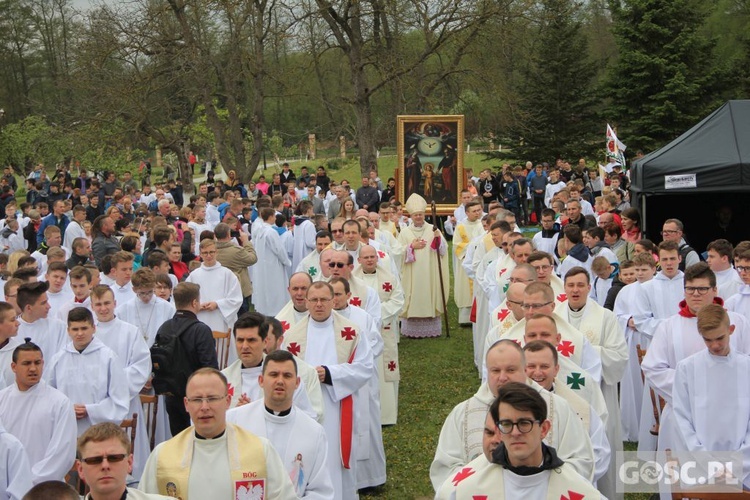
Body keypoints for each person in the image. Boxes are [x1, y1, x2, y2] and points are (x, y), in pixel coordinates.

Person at [430, 340, 595, 491]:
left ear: (524, 370)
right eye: (495, 370)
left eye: (510, 370)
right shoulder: (462, 413)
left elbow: (579, 460)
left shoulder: (558, 408)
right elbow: (446, 467)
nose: (502, 378)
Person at [140, 368, 297, 498]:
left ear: (227, 401)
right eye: (197, 399)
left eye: (212, 398)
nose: (205, 407)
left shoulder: (260, 450)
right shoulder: (163, 456)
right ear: (186, 405)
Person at [642, 263, 750, 453]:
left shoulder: (737, 322)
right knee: (684, 476)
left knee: (730, 474)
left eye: (702, 288)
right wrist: (692, 390)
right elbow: (653, 369)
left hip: (731, 414)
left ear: (715, 290)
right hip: (684, 414)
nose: (696, 294)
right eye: (690, 289)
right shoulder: (668, 326)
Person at [282, 282, 373, 499]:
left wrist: (330, 374)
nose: (319, 305)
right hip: (304, 406)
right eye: (313, 300)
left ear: (334, 301)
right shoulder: (291, 336)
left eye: (324, 300)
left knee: (335, 459)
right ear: (306, 302)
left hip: (338, 406)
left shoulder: (351, 332)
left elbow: (365, 366)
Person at [438, 381, 602, 499]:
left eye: (524, 423)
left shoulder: (580, 491)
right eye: (507, 424)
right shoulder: (466, 491)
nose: (515, 432)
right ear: (499, 431)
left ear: (544, 429)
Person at [226, 350, 335, 499]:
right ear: (261, 380)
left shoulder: (314, 432)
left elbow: (321, 491)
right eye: (273, 374)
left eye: (287, 375)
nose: (280, 381)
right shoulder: (235, 421)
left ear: (297, 383)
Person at [672, 304, 750, 489]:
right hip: (699, 462)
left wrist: (738, 464)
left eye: (720, 338)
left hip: (744, 464)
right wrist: (707, 463)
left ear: (731, 330)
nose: (715, 345)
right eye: (708, 340)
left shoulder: (746, 367)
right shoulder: (687, 368)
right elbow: (681, 418)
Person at [328, 277, 386, 490]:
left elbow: (376, 342)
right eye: (330, 295)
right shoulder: (324, 319)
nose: (334, 299)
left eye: (338, 294)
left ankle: (371, 478)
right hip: (335, 383)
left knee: (367, 426)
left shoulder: (361, 318)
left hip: (362, 383)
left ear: (348, 295)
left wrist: (356, 362)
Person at [90, 284, 152, 478]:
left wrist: (112, 383)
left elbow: (141, 366)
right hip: (97, 404)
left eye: (107, 303)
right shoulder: (89, 334)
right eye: (98, 304)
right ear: (92, 306)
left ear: (115, 303)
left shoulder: (130, 332)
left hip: (126, 403)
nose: (103, 308)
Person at [0, 339, 77, 485]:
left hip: (44, 488)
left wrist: (27, 482)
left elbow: (62, 453)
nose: (33, 369)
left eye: (37, 363)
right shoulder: (2, 399)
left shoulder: (59, 402)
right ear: (13, 367)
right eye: (26, 363)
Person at [45, 307, 129, 436]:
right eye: (75, 329)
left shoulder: (108, 358)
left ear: (94, 328)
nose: (79, 333)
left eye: (84, 328)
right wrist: (67, 409)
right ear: (68, 331)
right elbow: (49, 395)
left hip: (99, 432)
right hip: (66, 430)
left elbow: (119, 399)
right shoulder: (58, 359)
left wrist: (90, 410)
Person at [221, 311, 320, 420]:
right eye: (240, 340)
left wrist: (254, 412)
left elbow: (309, 417)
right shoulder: (223, 378)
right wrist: (237, 414)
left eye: (251, 340)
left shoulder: (285, 375)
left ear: (265, 342)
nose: (244, 346)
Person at [153, 282, 218, 435]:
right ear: (195, 302)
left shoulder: (164, 327)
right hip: (197, 399)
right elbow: (210, 368)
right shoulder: (200, 330)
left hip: (171, 396)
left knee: (179, 441)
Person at [352, 245, 404, 425]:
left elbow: (398, 299)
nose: (369, 260)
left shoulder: (389, 278)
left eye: (372, 256)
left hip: (384, 329)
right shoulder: (352, 281)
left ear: (377, 258)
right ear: (359, 260)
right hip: (359, 332)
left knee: (384, 371)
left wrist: (375, 315)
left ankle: (387, 415)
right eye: (365, 257)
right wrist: (365, 319)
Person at [397, 194, 449, 338]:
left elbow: (443, 250)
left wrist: (439, 239)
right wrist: (410, 246)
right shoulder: (405, 232)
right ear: (411, 216)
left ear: (424, 214)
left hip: (430, 272)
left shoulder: (433, 229)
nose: (418, 217)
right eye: (415, 215)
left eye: (420, 214)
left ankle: (431, 326)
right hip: (412, 273)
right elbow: (397, 252)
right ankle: (412, 328)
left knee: (430, 291)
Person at [186, 238, 243, 339]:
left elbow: (236, 298)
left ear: (217, 252)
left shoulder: (227, 274)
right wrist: (197, 306)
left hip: (221, 320)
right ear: (200, 254)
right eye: (205, 253)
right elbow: (186, 299)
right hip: (200, 319)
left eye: (211, 252)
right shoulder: (193, 276)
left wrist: (217, 304)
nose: (208, 256)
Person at [116, 268, 176, 346]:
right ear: (134, 289)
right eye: (142, 293)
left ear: (154, 287)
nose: (147, 297)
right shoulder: (123, 310)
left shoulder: (168, 308)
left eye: (150, 292)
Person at [251, 208, 292, 316]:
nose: (275, 218)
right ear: (270, 217)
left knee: (265, 287)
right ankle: (275, 310)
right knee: (275, 288)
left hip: (263, 265)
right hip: (273, 265)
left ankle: (266, 309)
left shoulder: (260, 230)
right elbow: (279, 249)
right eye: (274, 216)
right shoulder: (271, 232)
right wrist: (287, 262)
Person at [17, 281, 68, 362]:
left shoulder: (59, 327)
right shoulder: (13, 330)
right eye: (43, 303)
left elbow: (64, 359)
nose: (49, 306)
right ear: (29, 308)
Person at [214, 222, 257, 315]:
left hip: (221, 289)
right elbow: (253, 258)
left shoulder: (213, 251)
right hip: (239, 289)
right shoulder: (236, 251)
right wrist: (246, 242)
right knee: (243, 318)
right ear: (229, 234)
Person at [452, 201, 484, 325]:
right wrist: (471, 248)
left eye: (479, 210)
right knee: (465, 288)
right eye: (474, 211)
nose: (477, 213)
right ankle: (465, 318)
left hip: (480, 261)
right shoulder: (460, 227)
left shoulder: (483, 225)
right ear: (467, 213)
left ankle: (479, 314)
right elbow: (456, 245)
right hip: (466, 262)